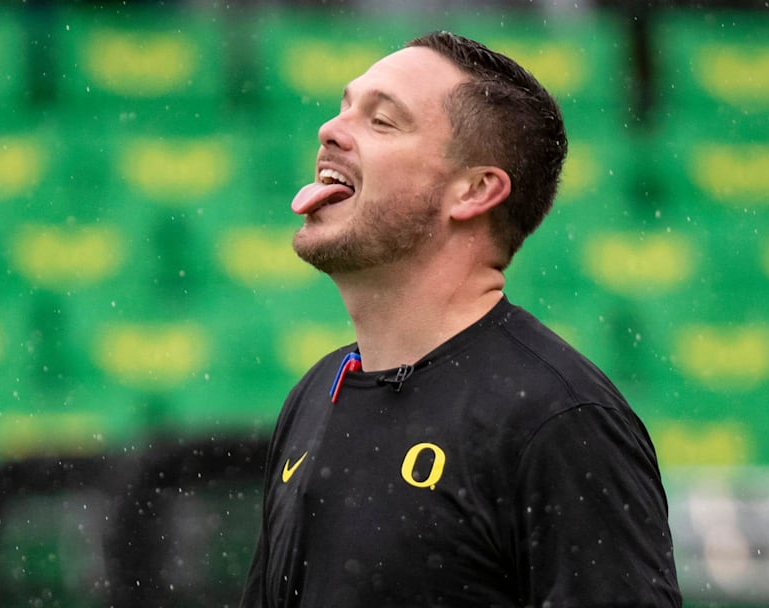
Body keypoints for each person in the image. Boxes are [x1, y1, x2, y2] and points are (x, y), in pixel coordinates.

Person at [240, 31, 681, 607]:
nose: (330, 129)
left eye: (382, 121)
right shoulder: (316, 393)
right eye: (345, 106)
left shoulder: (558, 420)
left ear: (473, 190)